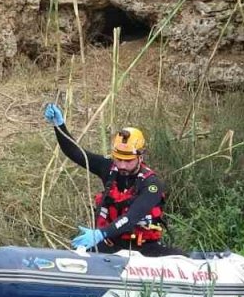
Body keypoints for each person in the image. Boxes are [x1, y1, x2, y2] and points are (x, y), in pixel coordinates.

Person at [43, 102, 186, 257]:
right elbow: (75, 152)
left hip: (143, 248)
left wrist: (100, 234)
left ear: (140, 157)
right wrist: (59, 126)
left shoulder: (151, 185)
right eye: (118, 159)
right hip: (112, 244)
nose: (122, 165)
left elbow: (131, 218)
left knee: (181, 257)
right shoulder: (109, 168)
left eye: (128, 160)